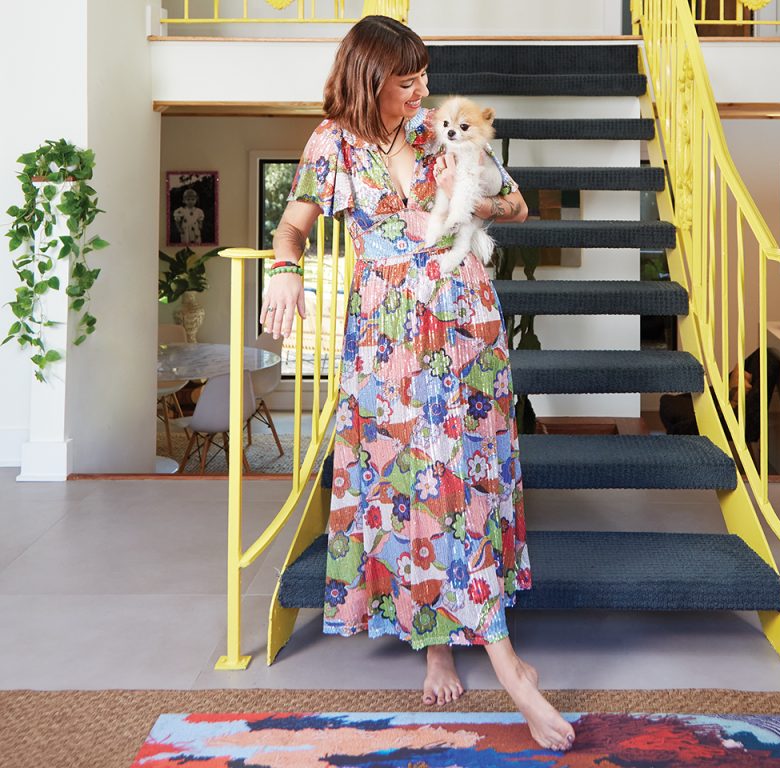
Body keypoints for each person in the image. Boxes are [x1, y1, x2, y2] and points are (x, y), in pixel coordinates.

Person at [260, 15, 575, 753]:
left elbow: (518, 205)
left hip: (465, 326)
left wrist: (467, 209)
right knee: (412, 484)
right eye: (408, 81)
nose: (422, 91)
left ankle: (495, 658)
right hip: (386, 339)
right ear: (371, 81)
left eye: (424, 77)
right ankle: (467, 653)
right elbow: (292, 228)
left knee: (460, 481)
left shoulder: (442, 130)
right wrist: (283, 272)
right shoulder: (330, 144)